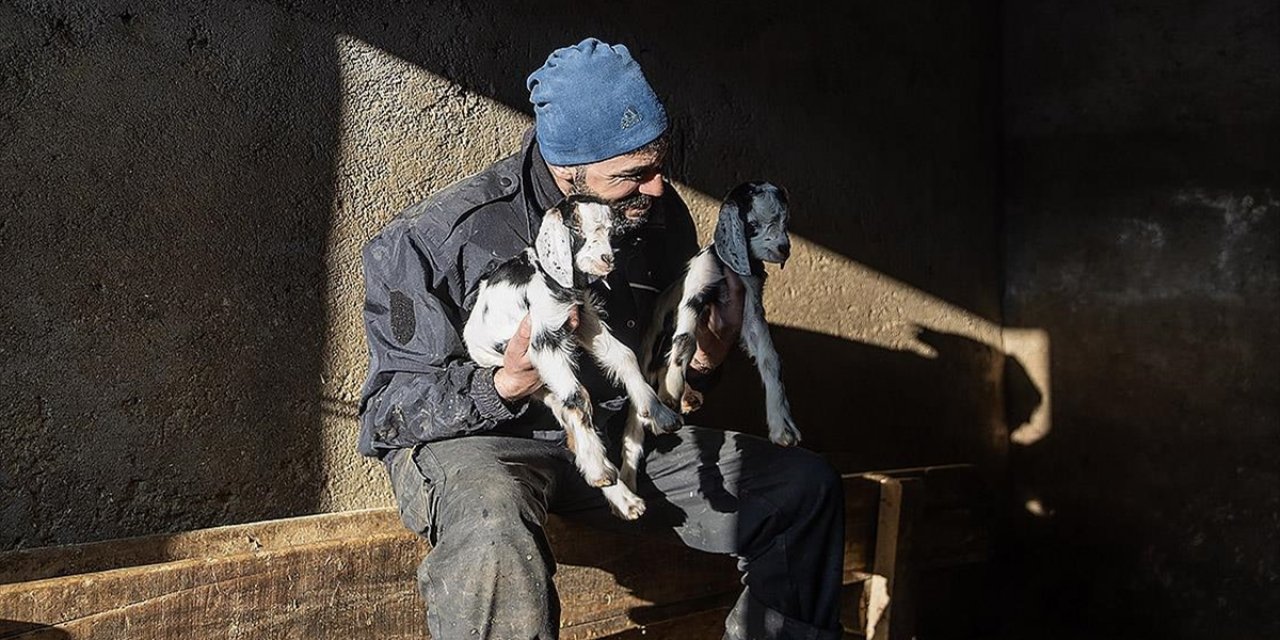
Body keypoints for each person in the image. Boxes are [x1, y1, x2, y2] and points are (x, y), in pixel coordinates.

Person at [357, 37, 845, 640]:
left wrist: (705, 360)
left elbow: (666, 389)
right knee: (490, 519)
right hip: (490, 445)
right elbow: (386, 415)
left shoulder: (655, 217)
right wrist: (504, 383)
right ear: (568, 173)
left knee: (803, 490)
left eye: (661, 165)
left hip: (615, 439)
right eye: (632, 176)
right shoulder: (432, 240)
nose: (658, 189)